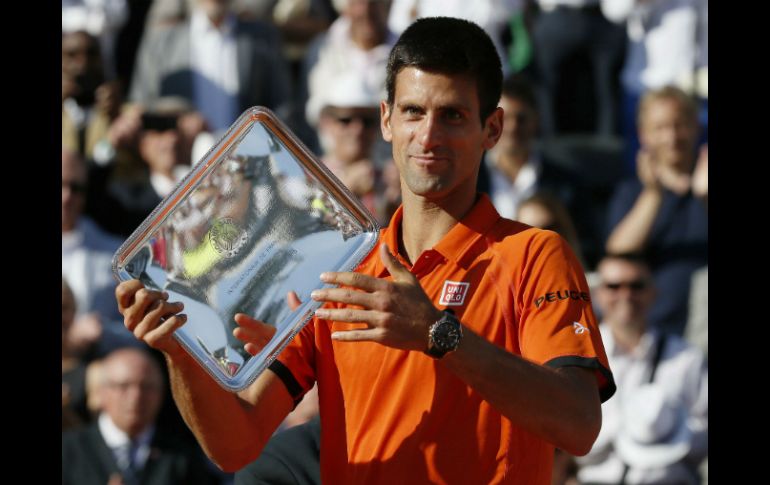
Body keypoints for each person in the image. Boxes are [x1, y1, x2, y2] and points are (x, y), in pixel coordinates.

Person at [116, 17, 615, 484]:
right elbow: (235, 444)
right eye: (413, 111)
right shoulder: (339, 267)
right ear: (386, 120)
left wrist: (440, 335)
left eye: (453, 115)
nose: (429, 135)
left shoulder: (534, 253)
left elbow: (578, 425)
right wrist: (178, 351)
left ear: (493, 129)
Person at [575, 253, 707, 484]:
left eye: (636, 286)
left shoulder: (687, 358)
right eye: (614, 286)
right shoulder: (579, 354)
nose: (626, 295)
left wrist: (666, 432)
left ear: (653, 292)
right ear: (597, 294)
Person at [604, 86, 707, 336]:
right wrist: (653, 194)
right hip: (652, 332)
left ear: (696, 127)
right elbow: (618, 251)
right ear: (643, 135)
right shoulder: (631, 192)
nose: (672, 136)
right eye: (660, 128)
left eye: (679, 124)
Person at [62, 348, 218, 485]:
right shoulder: (68, 451)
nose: (136, 396)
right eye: (123, 386)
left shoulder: (183, 457)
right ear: (102, 392)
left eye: (147, 387)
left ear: (162, 393)